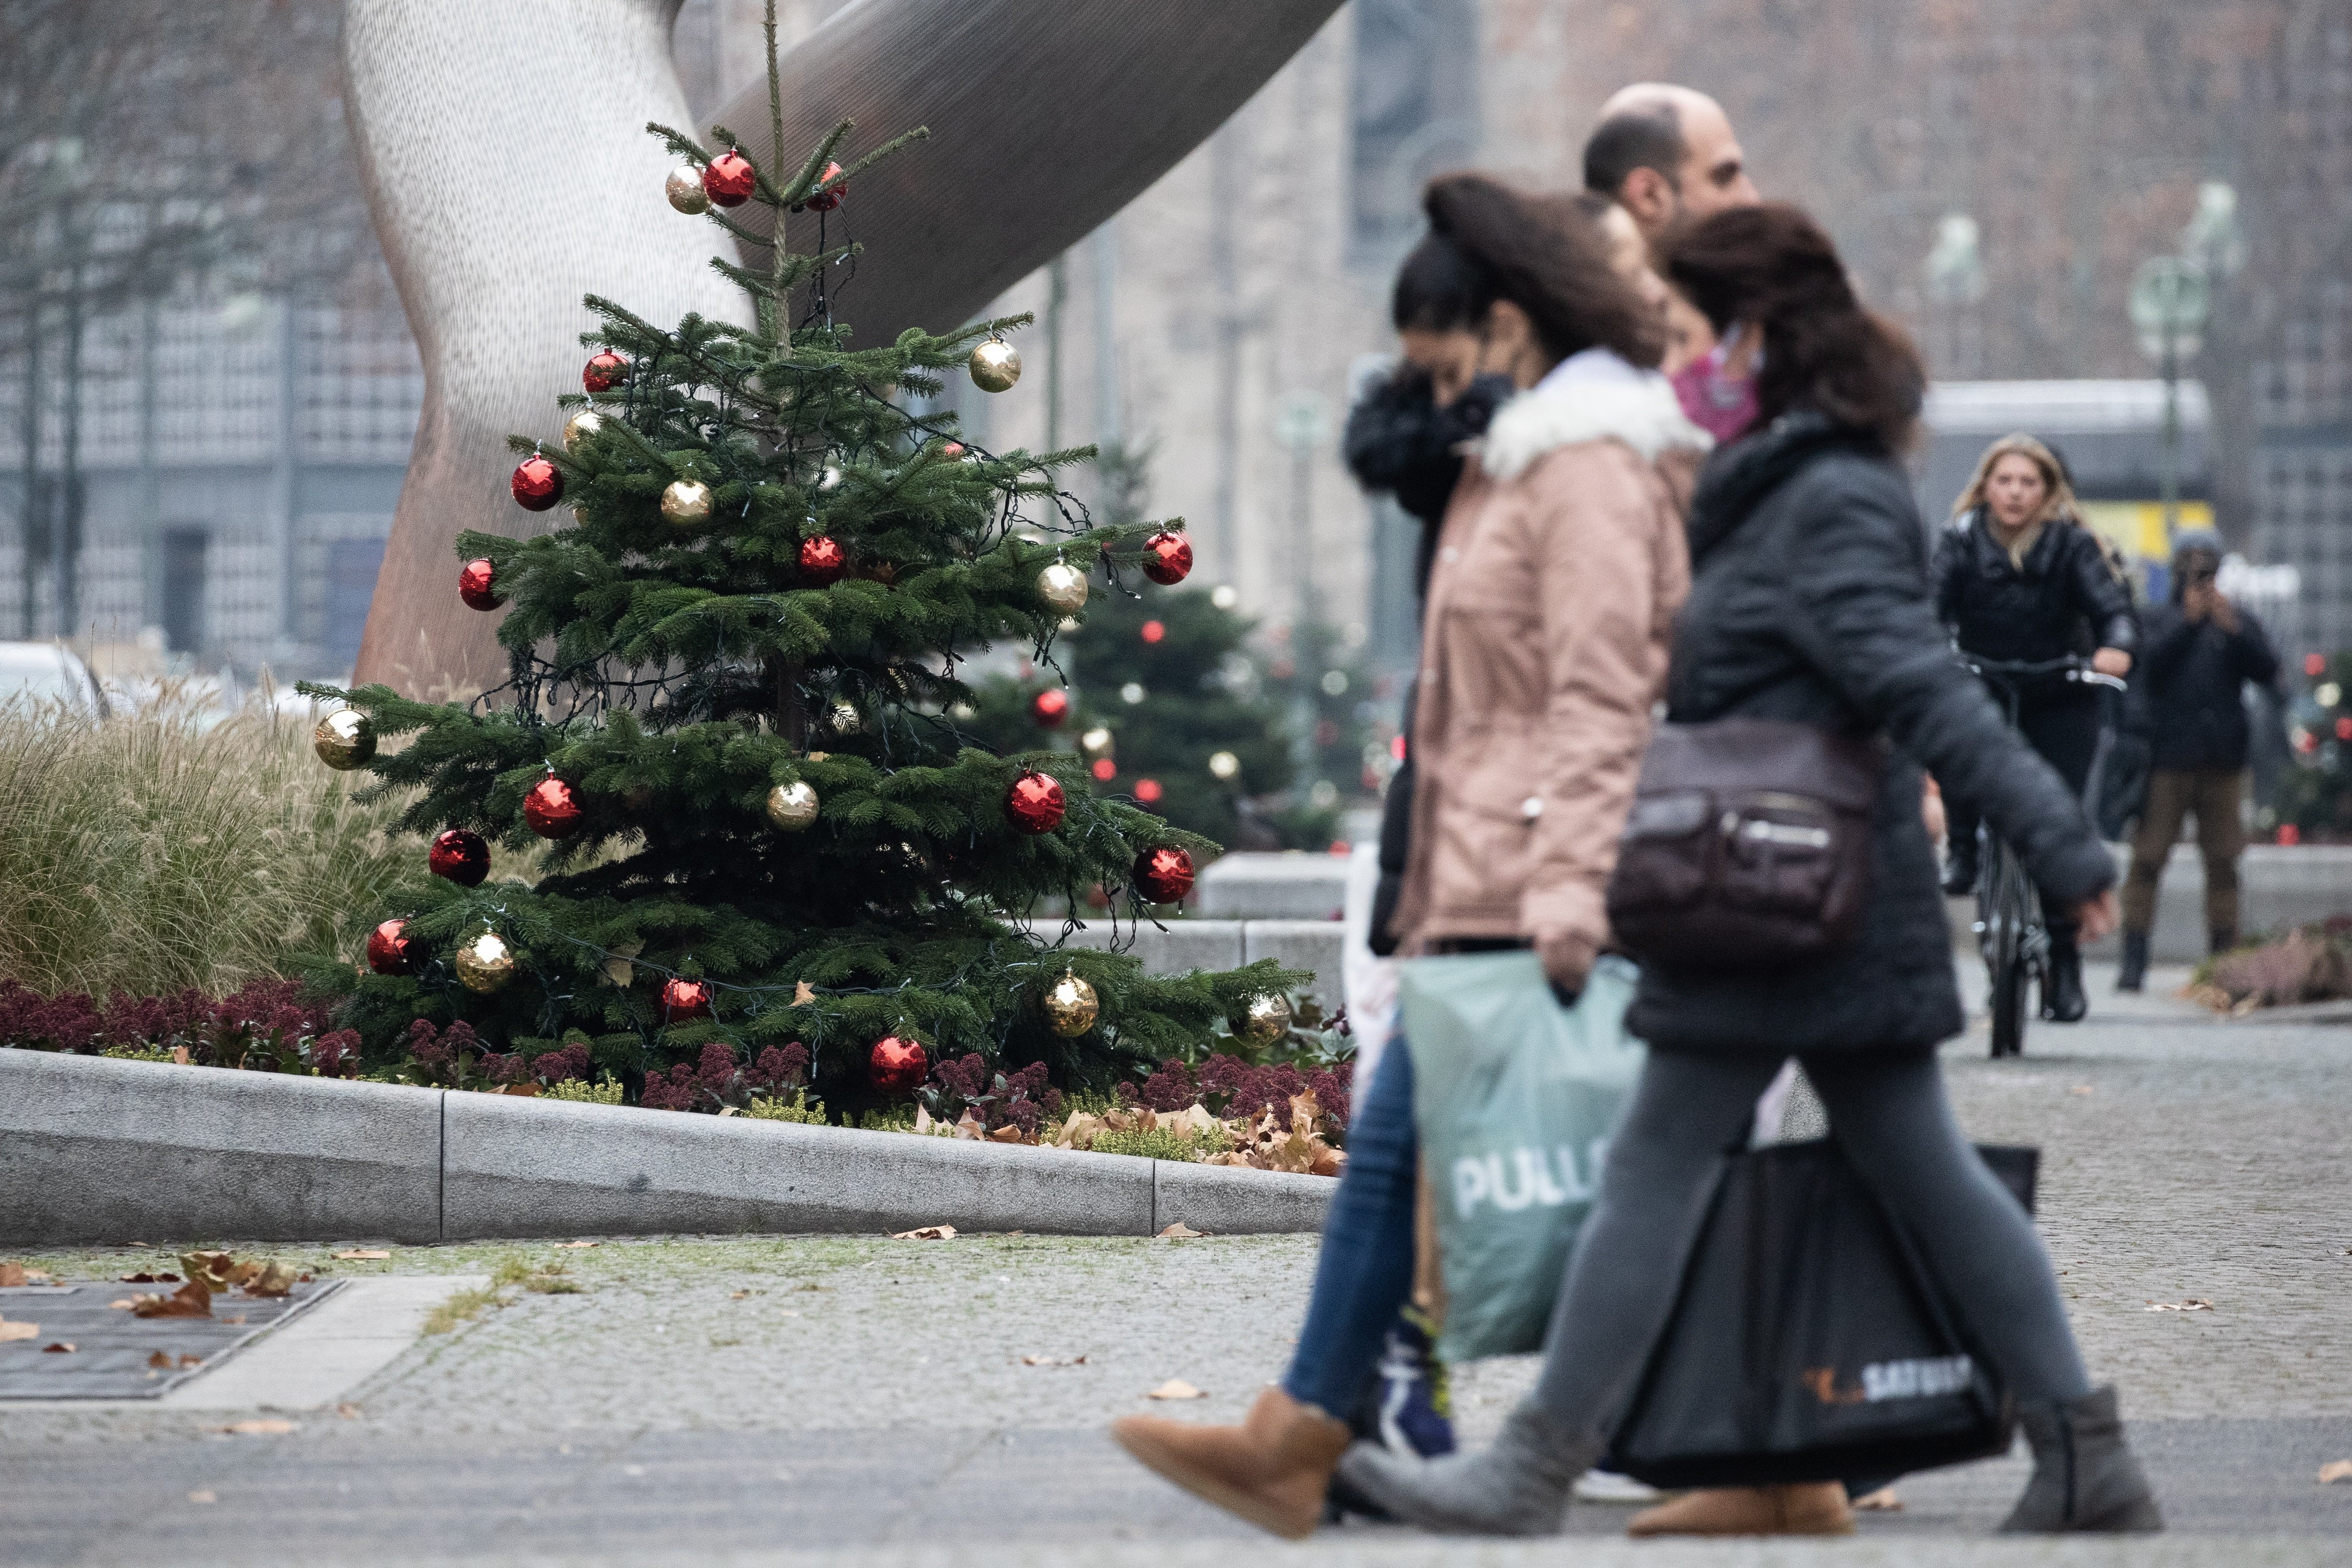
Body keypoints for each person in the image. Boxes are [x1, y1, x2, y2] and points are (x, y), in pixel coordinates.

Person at [1336, 203, 2162, 1540]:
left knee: (1697, 1172)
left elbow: (1916, 685)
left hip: (1801, 902)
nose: (1667, 360)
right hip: (1783, 896)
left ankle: (1532, 1470)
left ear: (1755, 336)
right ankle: (2085, 1450)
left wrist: (2059, 840)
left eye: (1683, 330)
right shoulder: (1779, 474)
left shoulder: (1824, 492)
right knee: (1902, 1176)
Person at [1109, 171, 1707, 1540]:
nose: (1468, 369)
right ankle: (1309, 1423)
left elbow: (1607, 686)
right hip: (1477, 860)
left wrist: (1564, 884)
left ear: (1516, 322)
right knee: (1390, 1146)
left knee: (1619, 1153)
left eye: (1482, 339)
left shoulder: (1595, 464)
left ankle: (1745, 1433)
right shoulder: (1535, 453)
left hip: (1532, 864)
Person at [1932, 434, 2137, 1023]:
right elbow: (1929, 606)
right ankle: (1964, 848)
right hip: (1982, 683)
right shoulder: (1958, 541)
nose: (2015, 492)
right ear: (1985, 487)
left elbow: (2112, 609)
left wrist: (2115, 648)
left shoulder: (2074, 546)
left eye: (2028, 482)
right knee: (1954, 749)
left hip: (2060, 692)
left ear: (2047, 491)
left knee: (2059, 814)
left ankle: (2064, 960)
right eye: (2004, 481)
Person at [2116, 529, 2282, 988]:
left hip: (2223, 761)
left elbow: (2270, 671)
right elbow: (2143, 666)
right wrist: (2187, 623)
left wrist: (2233, 630)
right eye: (2189, 564)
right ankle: (2133, 959)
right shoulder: (2158, 619)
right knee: (2147, 858)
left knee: (2224, 862)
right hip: (2166, 758)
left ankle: (2222, 961)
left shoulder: (2235, 621)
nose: (2199, 574)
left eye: (2206, 564)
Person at [1581, 84, 1762, 399]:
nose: (1750, 200)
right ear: (1649, 196)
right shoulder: (1585, 376)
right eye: (1724, 176)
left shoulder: (1777, 330)